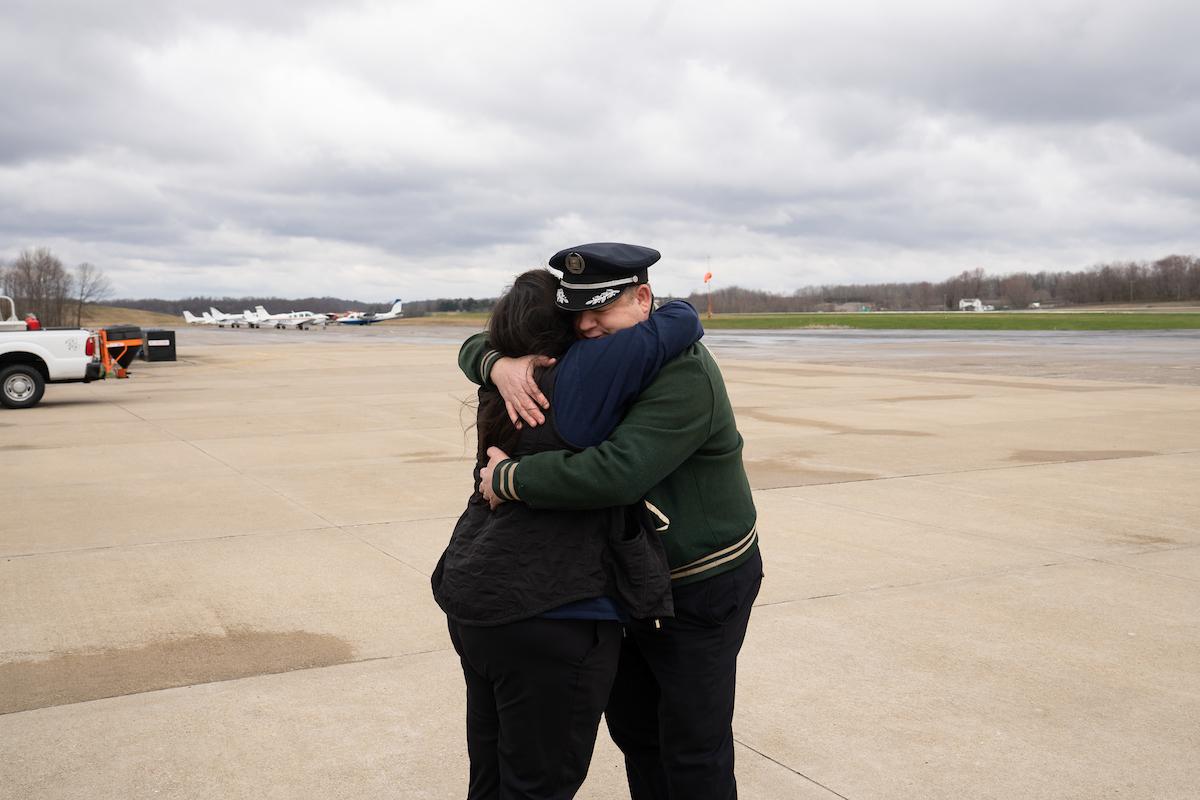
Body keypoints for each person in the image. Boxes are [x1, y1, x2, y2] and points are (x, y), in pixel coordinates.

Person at [458, 242, 762, 800]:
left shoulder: (682, 371)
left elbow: (620, 471)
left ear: (643, 298)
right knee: (638, 735)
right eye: (577, 311)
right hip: (629, 582)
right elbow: (492, 338)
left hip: (699, 579)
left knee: (694, 745)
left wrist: (511, 479)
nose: (587, 325)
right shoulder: (600, 350)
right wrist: (498, 362)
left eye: (601, 309)